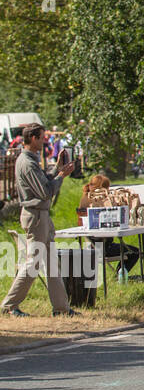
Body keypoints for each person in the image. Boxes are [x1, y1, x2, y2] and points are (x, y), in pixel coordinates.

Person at [2, 124, 77, 317]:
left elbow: (43, 182)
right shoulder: (26, 162)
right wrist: (61, 175)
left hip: (40, 215)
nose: (45, 141)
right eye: (42, 138)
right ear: (33, 138)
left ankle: (61, 308)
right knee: (33, 263)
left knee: (52, 263)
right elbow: (46, 191)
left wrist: (56, 169)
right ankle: (9, 305)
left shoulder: (30, 160)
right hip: (35, 216)